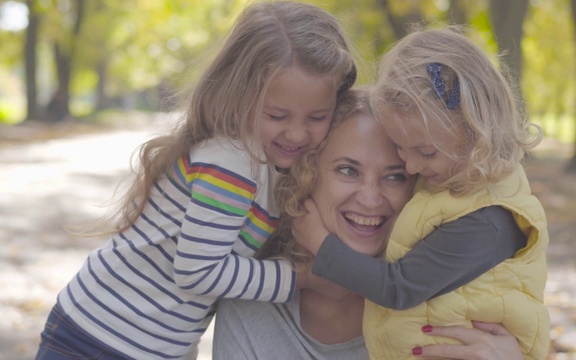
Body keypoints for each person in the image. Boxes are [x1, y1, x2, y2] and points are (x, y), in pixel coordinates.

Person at [34, 2, 356, 359]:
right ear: (241, 96)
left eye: (317, 116)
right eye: (277, 115)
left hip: (138, 343)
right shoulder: (233, 163)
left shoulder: (266, 166)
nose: (297, 133)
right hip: (100, 337)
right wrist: (302, 278)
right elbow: (198, 272)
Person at [212, 88, 525, 360]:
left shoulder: (448, 305)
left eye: (395, 177)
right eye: (348, 171)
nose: (371, 199)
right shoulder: (252, 304)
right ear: (307, 175)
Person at [294, 28, 550, 360]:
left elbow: (399, 287)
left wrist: (318, 240)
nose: (412, 167)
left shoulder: (489, 219)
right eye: (401, 150)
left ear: (477, 133)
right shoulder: (454, 178)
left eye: (425, 153)